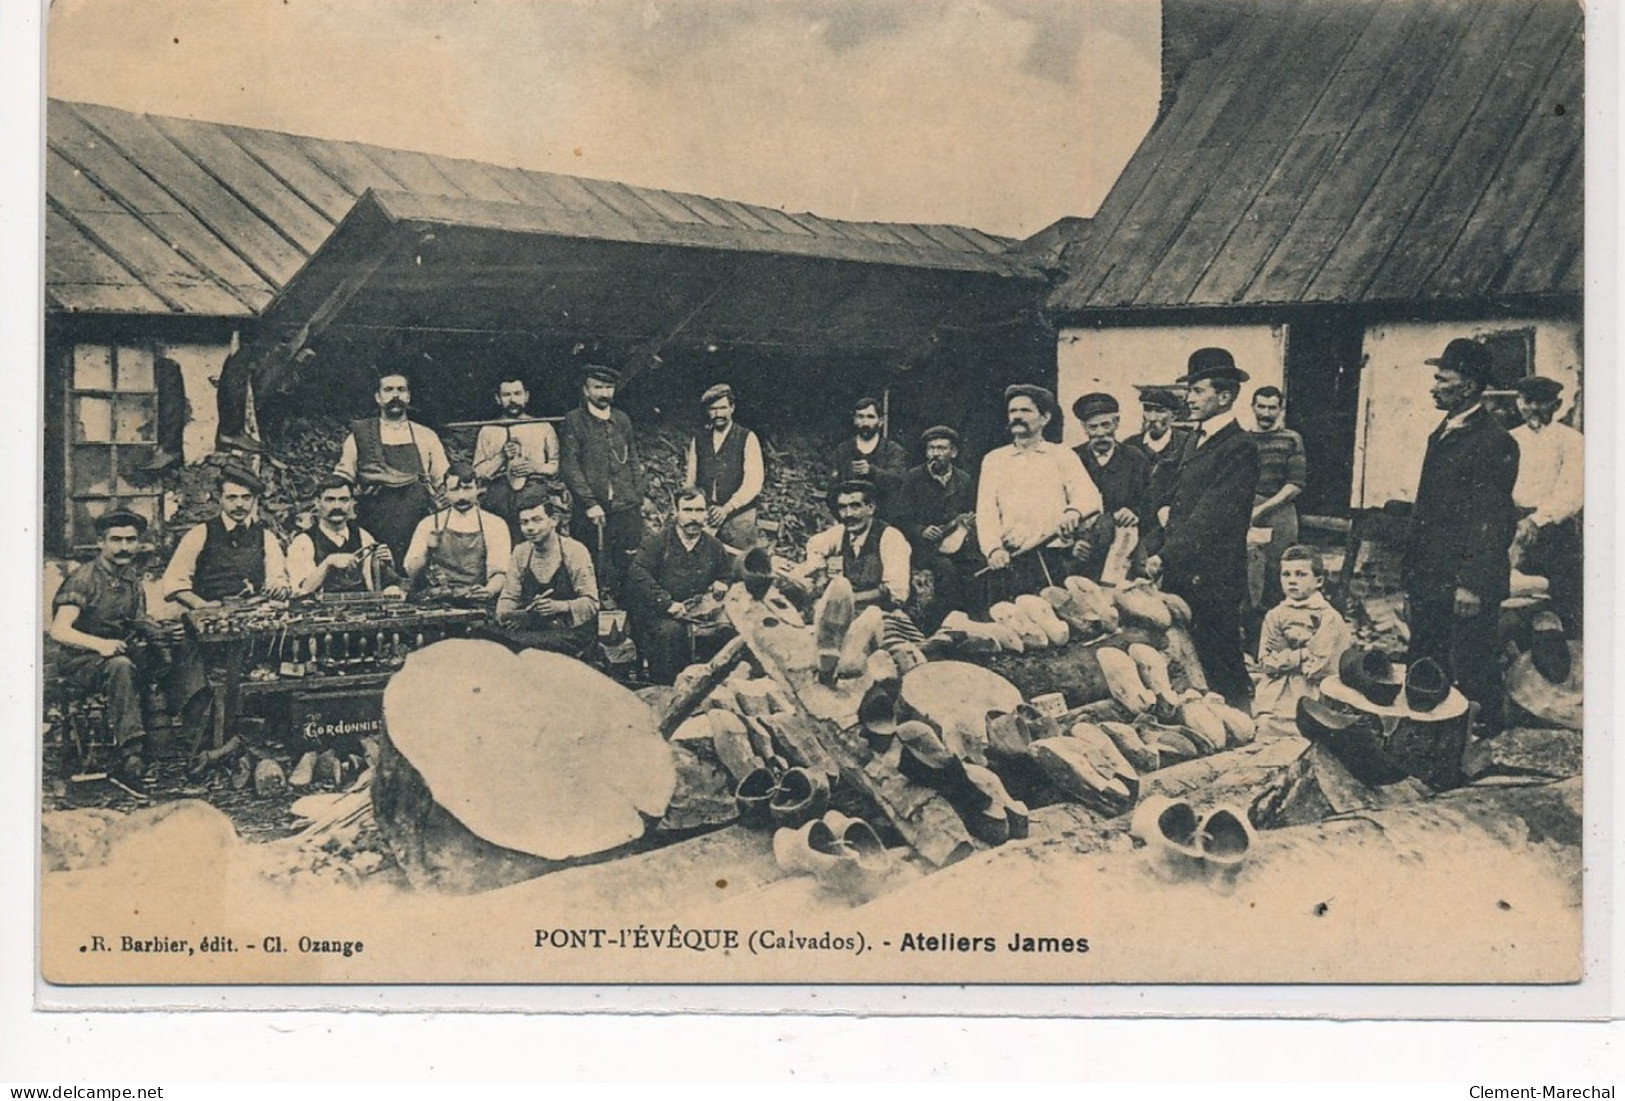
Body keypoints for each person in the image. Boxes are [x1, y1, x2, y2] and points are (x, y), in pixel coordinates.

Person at [1402, 338, 1520, 733]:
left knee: (1472, 665)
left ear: (1468, 386)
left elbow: (1493, 519)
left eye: (1442, 378)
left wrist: (1471, 583)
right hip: (1431, 576)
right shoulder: (1444, 431)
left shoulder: (1494, 441)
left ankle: (1486, 743)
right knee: (1427, 662)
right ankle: (1428, 741)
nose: (1433, 386)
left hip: (1463, 582)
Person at [50, 509, 210, 775]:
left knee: (183, 646)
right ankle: (132, 753)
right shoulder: (84, 579)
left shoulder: (130, 578)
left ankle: (187, 727)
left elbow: (138, 621)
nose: (124, 547)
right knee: (121, 666)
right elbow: (59, 630)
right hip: (81, 661)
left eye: (130, 540)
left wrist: (166, 632)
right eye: (116, 540)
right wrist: (100, 645)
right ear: (101, 542)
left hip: (120, 651)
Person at [1147, 349, 1259, 708]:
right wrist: (1164, 510)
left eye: (1197, 391)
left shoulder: (1239, 447)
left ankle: (1242, 723)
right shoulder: (1195, 439)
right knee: (1190, 661)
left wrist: (1164, 556)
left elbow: (1211, 516)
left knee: (1220, 658)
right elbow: (1172, 490)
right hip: (1184, 569)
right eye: (1189, 391)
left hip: (1213, 576)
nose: (1189, 399)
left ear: (1224, 397)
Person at [976, 384, 1101, 603]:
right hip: (1012, 559)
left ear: (1044, 418)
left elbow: (1090, 496)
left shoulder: (1062, 455)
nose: (1017, 416)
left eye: (1025, 411)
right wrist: (994, 550)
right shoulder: (994, 460)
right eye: (1013, 411)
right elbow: (986, 512)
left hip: (1054, 559)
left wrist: (1073, 512)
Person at [625, 487, 738, 683]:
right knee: (670, 633)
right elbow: (638, 574)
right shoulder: (656, 542)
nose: (694, 517)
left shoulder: (713, 546)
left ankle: (713, 689)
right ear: (676, 512)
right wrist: (666, 603)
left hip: (696, 612)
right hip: (659, 613)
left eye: (699, 511)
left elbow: (727, 571)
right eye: (687, 510)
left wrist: (723, 582)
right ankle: (667, 688)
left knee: (727, 632)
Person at [334, 370, 449, 561]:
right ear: (378, 397)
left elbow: (443, 480)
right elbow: (342, 480)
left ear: (408, 397)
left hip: (417, 523)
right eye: (388, 390)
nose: (395, 395)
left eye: (401, 390)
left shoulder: (425, 436)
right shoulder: (360, 437)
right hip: (373, 524)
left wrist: (441, 502)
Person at [558, 364, 647, 603]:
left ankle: (627, 613)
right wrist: (588, 503)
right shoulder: (574, 421)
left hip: (625, 507)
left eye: (609, 387)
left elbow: (633, 458)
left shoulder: (622, 419)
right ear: (586, 390)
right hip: (590, 510)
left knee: (627, 563)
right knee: (590, 563)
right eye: (598, 387)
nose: (604, 393)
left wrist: (637, 495)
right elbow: (570, 465)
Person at [1508, 375, 1583, 634]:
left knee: (1562, 606)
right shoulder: (1508, 439)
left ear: (1557, 404)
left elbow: (1572, 492)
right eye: (1527, 401)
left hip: (1555, 533)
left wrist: (1536, 520)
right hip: (1514, 529)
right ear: (1519, 403)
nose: (1533, 409)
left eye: (1542, 402)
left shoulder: (1572, 440)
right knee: (1515, 604)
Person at [492, 481, 600, 656]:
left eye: (537, 520)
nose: (530, 528)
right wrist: (508, 615)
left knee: (530, 647)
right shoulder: (521, 552)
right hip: (534, 628)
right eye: (524, 522)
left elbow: (591, 604)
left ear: (553, 521)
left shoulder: (574, 551)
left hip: (570, 632)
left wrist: (560, 606)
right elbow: (509, 597)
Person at [162, 466, 291, 608]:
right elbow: (173, 581)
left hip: (254, 616)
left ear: (255, 499)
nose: (240, 504)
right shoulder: (199, 534)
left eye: (246, 497)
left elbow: (277, 577)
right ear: (220, 499)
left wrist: (279, 588)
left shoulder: (267, 537)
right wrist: (200, 604)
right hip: (211, 618)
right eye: (232, 498)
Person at [1253, 545, 1350, 724]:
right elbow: (1266, 662)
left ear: (1319, 581)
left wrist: (1288, 652)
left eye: (1301, 574)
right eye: (1286, 574)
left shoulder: (1328, 617)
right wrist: (1305, 651)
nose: (1292, 581)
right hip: (1276, 690)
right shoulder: (1275, 615)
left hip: (1314, 690)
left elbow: (1317, 666)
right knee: (1266, 725)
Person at [894, 425, 982, 619]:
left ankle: (974, 621)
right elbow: (900, 518)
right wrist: (921, 530)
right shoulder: (914, 478)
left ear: (953, 452)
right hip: (924, 548)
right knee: (946, 570)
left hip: (957, 544)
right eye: (931, 448)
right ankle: (944, 622)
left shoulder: (964, 480)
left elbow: (972, 512)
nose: (936, 454)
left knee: (976, 566)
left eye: (942, 448)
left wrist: (966, 523)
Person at [792, 479, 911, 610]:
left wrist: (845, 600)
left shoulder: (891, 538)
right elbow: (815, 545)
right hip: (847, 611)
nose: (848, 514)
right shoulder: (841, 532)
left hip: (882, 614)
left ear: (870, 508)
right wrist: (821, 575)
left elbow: (897, 592)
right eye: (842, 507)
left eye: (855, 506)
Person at [1070, 391, 1151, 582]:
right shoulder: (1072, 459)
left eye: (1106, 425)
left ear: (1116, 423)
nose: (1100, 434)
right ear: (1084, 428)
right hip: (1082, 552)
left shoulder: (1135, 458)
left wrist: (1134, 512)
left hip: (1121, 551)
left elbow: (1149, 501)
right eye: (1093, 427)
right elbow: (1059, 507)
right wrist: (1072, 543)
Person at [403, 462, 511, 601]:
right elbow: (412, 573)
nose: (461, 496)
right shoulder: (429, 524)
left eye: (467, 488)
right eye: (454, 490)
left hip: (475, 602)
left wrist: (488, 591)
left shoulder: (495, 524)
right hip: (435, 601)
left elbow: (500, 573)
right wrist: (429, 551)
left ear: (478, 489)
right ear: (445, 491)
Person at [473, 374, 560, 541]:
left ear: (526, 396)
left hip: (534, 488)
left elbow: (556, 465)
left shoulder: (543, 426)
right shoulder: (488, 430)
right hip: (499, 492)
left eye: (517, 394)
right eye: (507, 395)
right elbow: (478, 471)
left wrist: (536, 468)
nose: (513, 400)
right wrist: (501, 457)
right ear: (498, 399)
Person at [1247, 386, 1308, 616]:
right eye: (1261, 406)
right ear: (1252, 407)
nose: (1266, 413)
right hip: (1247, 513)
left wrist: (1263, 508)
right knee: (1247, 573)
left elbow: (1296, 484)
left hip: (1279, 514)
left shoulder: (1291, 439)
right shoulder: (1244, 439)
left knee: (1277, 573)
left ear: (1280, 410)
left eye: (1272, 407)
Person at [684, 383, 766, 551]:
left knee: (738, 564)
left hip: (739, 514)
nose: (718, 414)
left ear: (732, 408)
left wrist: (728, 508)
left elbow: (754, 482)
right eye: (713, 409)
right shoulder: (699, 439)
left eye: (723, 408)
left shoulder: (747, 437)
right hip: (707, 513)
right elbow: (691, 481)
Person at [287, 477, 402, 596]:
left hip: (362, 610)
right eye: (330, 500)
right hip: (322, 612)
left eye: (344, 500)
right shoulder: (303, 542)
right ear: (317, 503)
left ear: (352, 503)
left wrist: (388, 579)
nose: (337, 506)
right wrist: (328, 563)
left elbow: (386, 584)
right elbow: (301, 592)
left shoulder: (364, 537)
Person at [1123, 386, 1190, 554]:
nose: (1153, 418)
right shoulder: (1130, 445)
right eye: (1148, 410)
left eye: (1160, 411)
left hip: (1171, 524)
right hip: (1136, 524)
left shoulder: (1186, 444)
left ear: (1173, 415)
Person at [831, 397, 909, 520]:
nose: (865, 422)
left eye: (870, 417)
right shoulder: (843, 450)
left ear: (881, 421)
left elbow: (898, 482)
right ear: (854, 420)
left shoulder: (893, 450)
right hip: (850, 518)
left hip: (884, 520)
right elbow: (834, 489)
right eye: (860, 417)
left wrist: (872, 471)